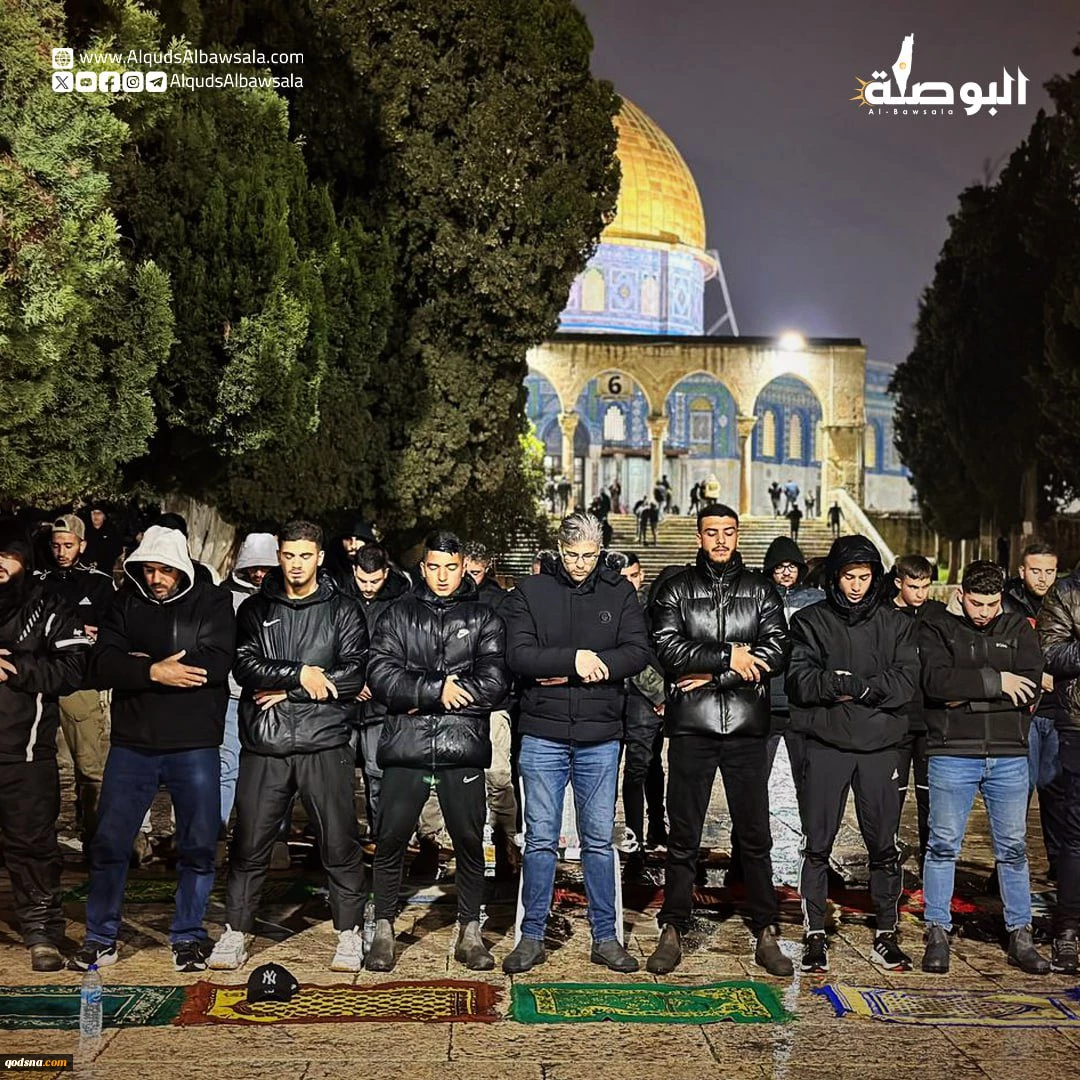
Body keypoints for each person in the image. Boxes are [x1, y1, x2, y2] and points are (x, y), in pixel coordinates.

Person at [208, 521, 369, 974]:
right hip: (266, 741)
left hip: (325, 742)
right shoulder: (255, 608)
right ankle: (236, 929)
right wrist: (301, 673)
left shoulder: (344, 609)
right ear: (279, 556)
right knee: (249, 842)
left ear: (319, 557)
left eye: (305, 556)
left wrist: (290, 689)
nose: (296, 564)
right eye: (289, 555)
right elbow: (245, 666)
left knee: (339, 841)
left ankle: (349, 930)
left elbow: (353, 676)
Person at [76, 525, 234, 973]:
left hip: (194, 742)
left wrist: (143, 660)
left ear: (180, 567)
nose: (155, 578)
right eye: (148, 570)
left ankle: (188, 934)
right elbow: (102, 663)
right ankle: (100, 936)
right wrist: (151, 672)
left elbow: (216, 661)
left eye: (164, 570)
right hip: (134, 744)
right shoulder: (124, 602)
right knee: (110, 842)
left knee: (198, 845)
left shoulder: (212, 601)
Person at [500, 512, 650, 975]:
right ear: (558, 550)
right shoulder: (531, 592)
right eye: (572, 555)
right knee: (540, 839)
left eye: (588, 555)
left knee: (598, 841)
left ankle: (606, 937)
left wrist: (592, 666)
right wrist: (573, 660)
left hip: (600, 734)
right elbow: (518, 654)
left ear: (600, 551)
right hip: (542, 732)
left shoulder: (619, 593)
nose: (580, 564)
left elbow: (637, 651)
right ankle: (531, 936)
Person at [647, 503, 793, 977]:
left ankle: (766, 927)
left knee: (754, 833)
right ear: (699, 537)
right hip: (692, 727)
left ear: (738, 535)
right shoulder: (677, 589)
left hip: (747, 727)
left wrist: (714, 674)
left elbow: (778, 650)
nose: (721, 540)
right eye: (712, 532)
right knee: (683, 833)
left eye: (728, 532)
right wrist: (731, 655)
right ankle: (673, 925)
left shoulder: (760, 589)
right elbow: (668, 649)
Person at [363, 531, 510, 972]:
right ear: (422, 568)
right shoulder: (398, 614)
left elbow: (494, 683)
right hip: (405, 745)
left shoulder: (485, 617)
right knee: (391, 838)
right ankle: (384, 927)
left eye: (451, 567)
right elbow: (381, 675)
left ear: (463, 567)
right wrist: (435, 689)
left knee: (468, 839)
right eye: (434, 567)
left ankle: (470, 930)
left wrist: (427, 695)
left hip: (462, 745)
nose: (443, 576)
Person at [787, 535, 919, 974]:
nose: (857, 586)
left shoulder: (896, 623)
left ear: (875, 578)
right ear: (835, 577)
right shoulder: (810, 620)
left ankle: (886, 932)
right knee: (817, 843)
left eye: (864, 577)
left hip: (880, 747)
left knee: (883, 844)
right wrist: (835, 684)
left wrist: (861, 688)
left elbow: (904, 682)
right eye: (849, 577)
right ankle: (814, 934)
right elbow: (800, 680)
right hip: (826, 745)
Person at [918, 560, 1049, 975]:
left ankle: (1020, 934)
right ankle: (937, 930)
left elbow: (1030, 686)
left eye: (993, 604)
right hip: (952, 751)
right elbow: (936, 684)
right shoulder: (938, 627)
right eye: (977, 603)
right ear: (961, 595)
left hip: (1008, 754)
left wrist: (966, 696)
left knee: (1013, 849)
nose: (985, 613)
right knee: (943, 846)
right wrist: (997, 684)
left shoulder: (1018, 628)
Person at [0, 520, 92, 971]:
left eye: (6, 555)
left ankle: (42, 930)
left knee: (32, 844)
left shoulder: (47, 605)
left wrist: (18, 669)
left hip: (25, 751)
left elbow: (74, 668)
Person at [728, 536, 824, 883]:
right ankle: (741, 857)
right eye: (780, 567)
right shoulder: (755, 598)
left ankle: (817, 858)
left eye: (792, 567)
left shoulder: (816, 601)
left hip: (801, 705)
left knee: (811, 788)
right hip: (762, 704)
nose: (786, 573)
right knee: (751, 786)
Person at [37, 514, 115, 849]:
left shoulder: (98, 584)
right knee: (42, 767)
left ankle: (96, 839)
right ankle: (40, 838)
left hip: (81, 684)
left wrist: (93, 635)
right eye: (56, 545)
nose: (61, 552)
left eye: (68, 545)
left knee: (90, 768)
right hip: (42, 683)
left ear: (82, 545)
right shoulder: (37, 582)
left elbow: (113, 630)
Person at [1002, 542, 1062, 880]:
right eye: (1036, 571)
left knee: (1055, 792)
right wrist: (1034, 675)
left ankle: (1059, 866)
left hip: (1058, 712)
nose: (1043, 578)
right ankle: (1009, 867)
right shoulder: (1006, 603)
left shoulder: (1066, 600)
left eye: (1049, 571)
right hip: (1022, 712)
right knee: (1016, 792)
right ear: (1022, 570)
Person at [347, 544, 410, 836]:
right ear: (354, 572)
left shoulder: (401, 601)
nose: (368, 587)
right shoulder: (340, 597)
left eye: (374, 581)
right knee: (339, 776)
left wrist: (376, 681)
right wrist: (351, 681)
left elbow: (402, 652)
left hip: (381, 702)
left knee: (377, 773)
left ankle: (381, 836)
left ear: (386, 573)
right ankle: (341, 836)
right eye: (363, 580)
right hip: (344, 701)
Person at [1037, 561, 1080, 973]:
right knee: (1076, 833)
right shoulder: (1067, 592)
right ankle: (1067, 928)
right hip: (1078, 725)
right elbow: (1050, 652)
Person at [613, 552, 667, 880]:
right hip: (617, 696)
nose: (630, 583)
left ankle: (654, 824)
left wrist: (661, 695)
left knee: (646, 764)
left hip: (644, 700)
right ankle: (634, 839)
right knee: (627, 769)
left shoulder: (653, 608)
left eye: (634, 576)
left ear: (642, 575)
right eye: (623, 578)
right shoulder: (609, 607)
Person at [890, 555, 946, 862]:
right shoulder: (884, 614)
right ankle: (887, 856)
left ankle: (930, 858)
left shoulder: (938, 614)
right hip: (895, 719)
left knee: (930, 797)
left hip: (930, 720)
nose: (921, 594)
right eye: (914, 587)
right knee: (891, 795)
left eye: (925, 586)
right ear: (899, 582)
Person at [222, 533, 279, 838]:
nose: (258, 574)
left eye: (265, 568)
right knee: (226, 765)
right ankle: (218, 832)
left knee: (272, 771)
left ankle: (267, 837)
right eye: (253, 567)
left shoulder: (286, 598)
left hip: (273, 695)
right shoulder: (225, 597)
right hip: (233, 693)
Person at [82, 503, 124, 576]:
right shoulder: (85, 531)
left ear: (104, 516)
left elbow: (118, 549)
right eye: (93, 513)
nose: (96, 516)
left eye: (99, 513)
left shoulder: (111, 531)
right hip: (86, 568)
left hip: (105, 569)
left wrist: (102, 562)